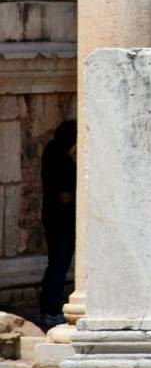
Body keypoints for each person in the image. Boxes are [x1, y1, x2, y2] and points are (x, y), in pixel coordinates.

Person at [38, 120, 77, 329]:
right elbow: (63, 196)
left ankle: (48, 310)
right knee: (59, 265)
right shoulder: (59, 156)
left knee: (57, 265)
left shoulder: (54, 152)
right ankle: (50, 311)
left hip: (56, 217)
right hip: (61, 220)